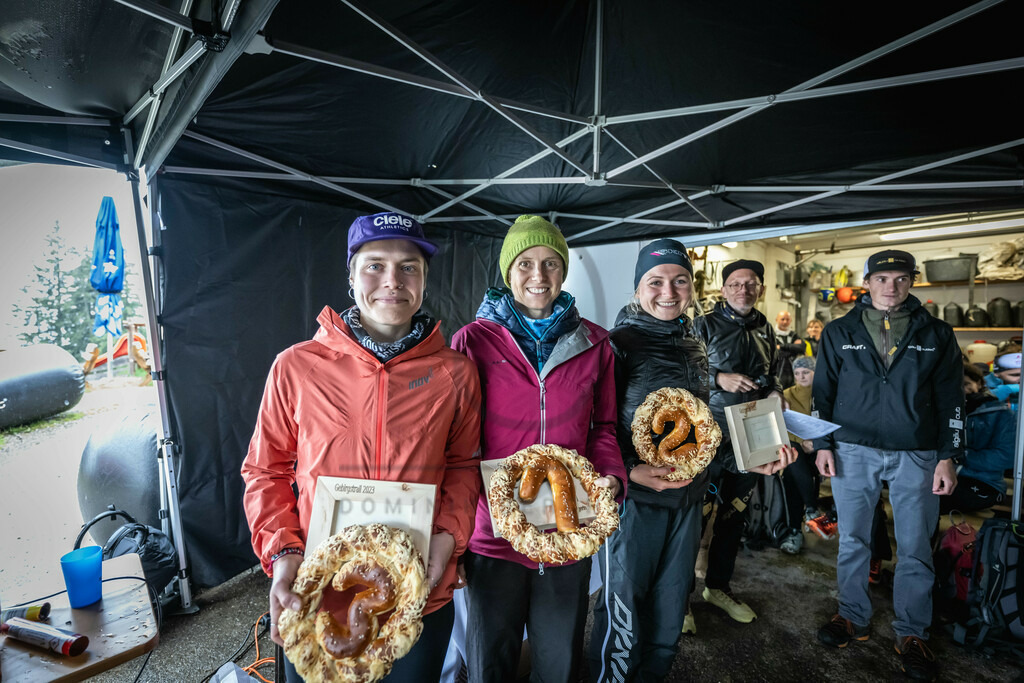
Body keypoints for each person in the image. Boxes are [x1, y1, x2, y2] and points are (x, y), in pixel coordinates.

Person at [241, 212, 482, 683]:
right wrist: (283, 552)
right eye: (375, 265)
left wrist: (449, 537)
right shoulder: (296, 366)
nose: (392, 281)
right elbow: (264, 471)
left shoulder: (456, 372)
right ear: (350, 277)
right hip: (316, 590)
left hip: (419, 591)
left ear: (425, 279)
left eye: (408, 267)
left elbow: (463, 466)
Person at [451, 215, 625, 683]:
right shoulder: (474, 341)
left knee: (559, 663)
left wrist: (610, 476)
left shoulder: (594, 342)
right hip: (493, 534)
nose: (538, 276)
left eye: (551, 263)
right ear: (508, 272)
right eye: (525, 263)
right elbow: (457, 442)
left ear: (564, 271)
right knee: (491, 662)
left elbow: (604, 427)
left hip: (568, 527)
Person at [813, 249, 962, 682]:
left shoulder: (937, 332)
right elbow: (823, 391)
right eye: (882, 279)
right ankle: (852, 615)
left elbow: (953, 398)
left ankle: (912, 631)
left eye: (900, 278)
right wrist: (823, 443)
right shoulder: (839, 331)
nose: (890, 286)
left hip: (917, 452)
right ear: (868, 282)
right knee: (854, 540)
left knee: (915, 546)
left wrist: (948, 456)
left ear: (912, 281)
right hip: (852, 449)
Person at [693, 258, 797, 625]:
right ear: (723, 289)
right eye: (735, 283)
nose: (743, 289)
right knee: (695, 518)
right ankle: (681, 601)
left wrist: (778, 392)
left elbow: (772, 375)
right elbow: (683, 376)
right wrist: (718, 379)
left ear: (761, 289)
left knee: (734, 515)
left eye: (750, 283)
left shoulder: (765, 328)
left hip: (752, 434)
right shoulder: (702, 324)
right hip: (708, 434)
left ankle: (718, 587)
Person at [940, 362, 1015, 515]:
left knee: (933, 499)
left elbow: (1006, 456)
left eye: (966, 384)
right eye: (954, 384)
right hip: (947, 476)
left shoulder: (1000, 414)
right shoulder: (944, 411)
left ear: (979, 384)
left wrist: (958, 456)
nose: (960, 389)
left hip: (985, 482)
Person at [779, 355, 825, 554]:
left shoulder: (824, 393)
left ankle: (794, 531)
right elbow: (782, 424)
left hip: (821, 449)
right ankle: (811, 508)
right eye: (797, 373)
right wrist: (801, 441)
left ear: (815, 372)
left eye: (806, 372)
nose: (801, 376)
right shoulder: (787, 394)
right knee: (793, 457)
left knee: (793, 469)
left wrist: (817, 443)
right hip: (797, 447)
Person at [985, 346, 1021, 414]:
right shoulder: (981, 385)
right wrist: (998, 393)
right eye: (1015, 375)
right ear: (997, 373)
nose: (1021, 379)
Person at [774, 310, 803, 389]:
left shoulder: (794, 335)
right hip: (778, 371)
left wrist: (782, 347)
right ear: (776, 320)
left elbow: (801, 348)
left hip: (793, 371)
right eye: (782, 319)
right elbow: (773, 351)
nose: (785, 322)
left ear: (791, 320)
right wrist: (792, 349)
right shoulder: (772, 334)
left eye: (787, 319)